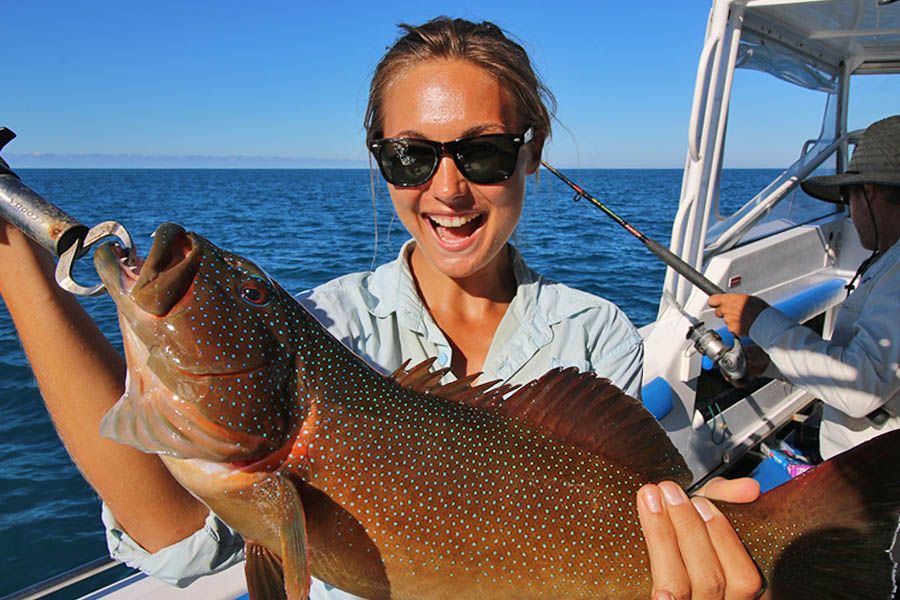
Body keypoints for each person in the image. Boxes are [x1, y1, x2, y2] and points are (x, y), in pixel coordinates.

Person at [0, 17, 762, 600]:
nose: (449, 187)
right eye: (411, 155)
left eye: (485, 151)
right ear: (379, 159)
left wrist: (706, 544)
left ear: (532, 153)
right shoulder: (329, 328)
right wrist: (13, 262)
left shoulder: (594, 332)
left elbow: (623, 519)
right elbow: (176, 537)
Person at [709, 114, 900, 462]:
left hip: (875, 488)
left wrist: (759, 319)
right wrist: (770, 363)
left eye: (847, 197)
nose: (850, 213)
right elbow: (864, 365)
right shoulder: (889, 263)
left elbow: (861, 389)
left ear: (869, 193)